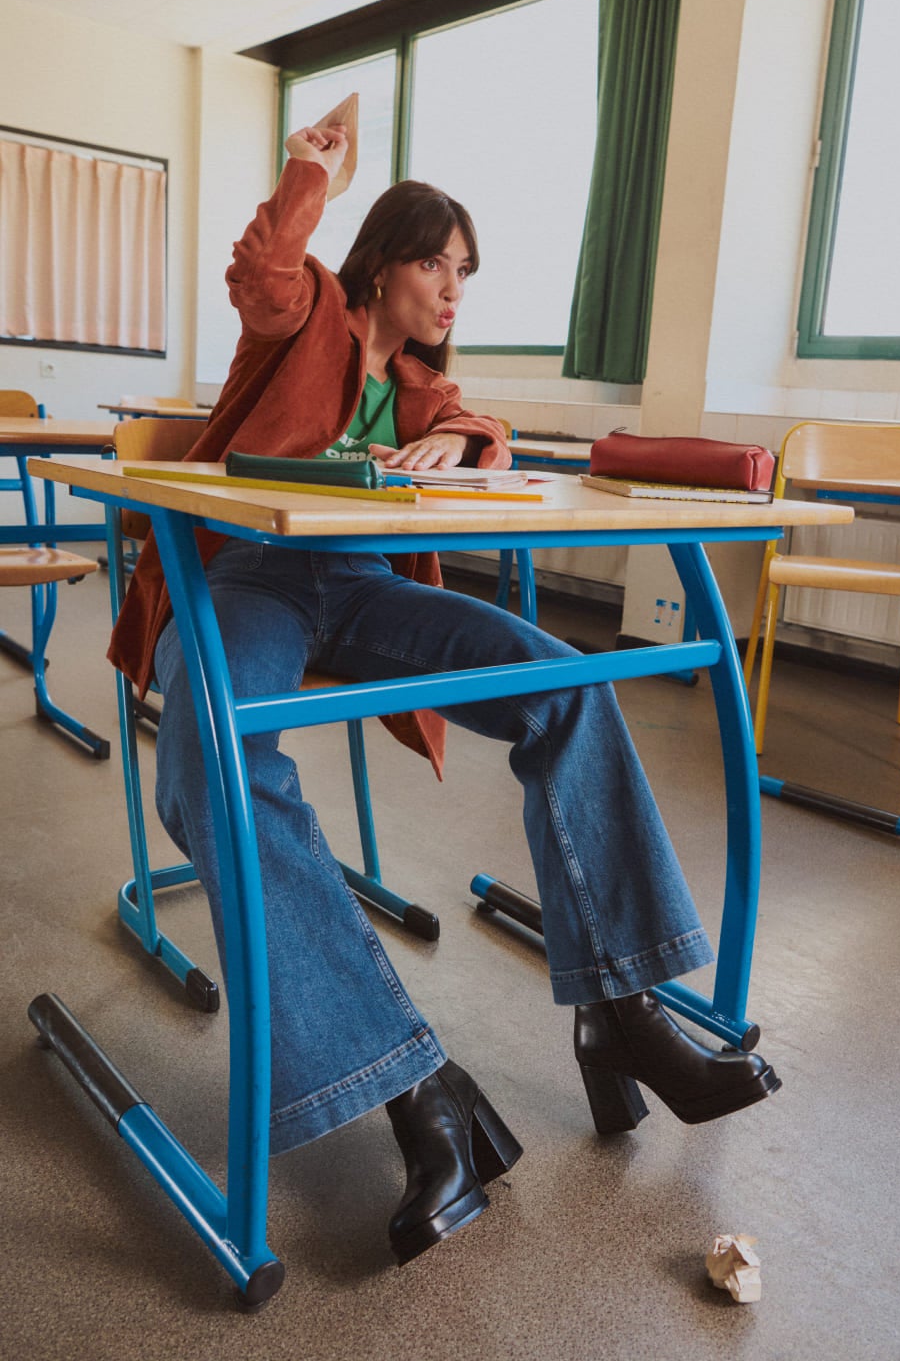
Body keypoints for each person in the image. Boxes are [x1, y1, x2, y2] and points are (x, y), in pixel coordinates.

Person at [108, 121, 781, 1268]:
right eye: (437, 265)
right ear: (383, 264)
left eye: (466, 273)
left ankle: (621, 1010)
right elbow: (259, 275)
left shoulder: (423, 384)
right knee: (213, 763)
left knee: (567, 686)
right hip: (248, 578)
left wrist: (463, 446)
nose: (453, 289)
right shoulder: (310, 312)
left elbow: (485, 428)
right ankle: (416, 1088)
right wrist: (312, 174)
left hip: (363, 589)